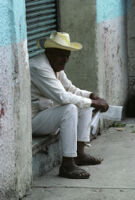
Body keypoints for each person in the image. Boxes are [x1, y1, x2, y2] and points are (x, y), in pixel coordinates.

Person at [30, 32, 109, 179]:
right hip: (33, 121)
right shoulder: (39, 67)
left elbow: (70, 89)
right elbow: (62, 96)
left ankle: (79, 154)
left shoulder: (55, 66)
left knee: (81, 104)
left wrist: (92, 96)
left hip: (46, 114)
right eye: (61, 55)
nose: (65, 60)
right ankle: (67, 165)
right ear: (49, 53)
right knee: (70, 108)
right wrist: (93, 102)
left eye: (67, 56)